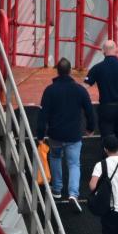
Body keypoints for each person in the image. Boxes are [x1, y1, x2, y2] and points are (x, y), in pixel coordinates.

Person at [36, 58, 96, 213]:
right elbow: (90, 111)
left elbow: (43, 115)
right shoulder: (80, 90)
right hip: (74, 135)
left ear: (57, 71)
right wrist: (90, 128)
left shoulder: (50, 91)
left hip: (55, 134)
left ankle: (56, 189)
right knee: (74, 163)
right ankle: (73, 194)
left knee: (55, 158)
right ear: (70, 71)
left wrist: (40, 135)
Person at [85, 40, 118, 156]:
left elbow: (85, 87)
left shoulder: (97, 68)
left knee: (107, 138)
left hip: (106, 108)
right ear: (116, 49)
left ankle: (108, 164)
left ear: (102, 51)